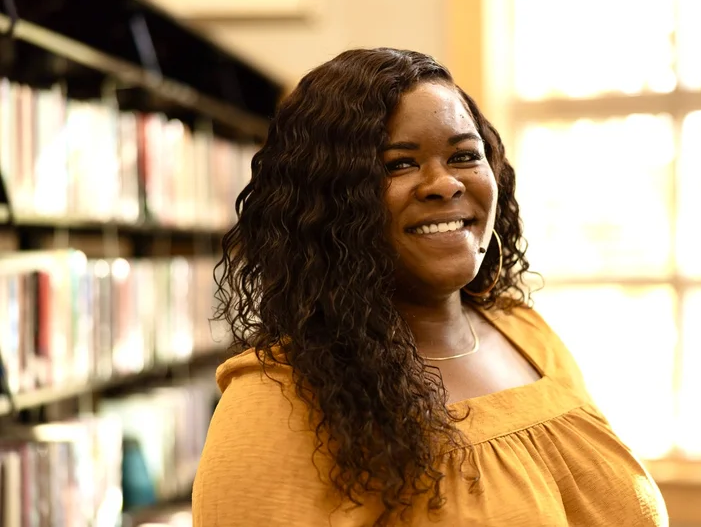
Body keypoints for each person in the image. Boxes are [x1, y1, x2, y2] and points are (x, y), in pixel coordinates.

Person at [192, 48, 668, 527]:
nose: (444, 184)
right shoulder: (277, 399)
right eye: (399, 164)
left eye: (464, 156)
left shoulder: (528, 333)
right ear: (327, 203)